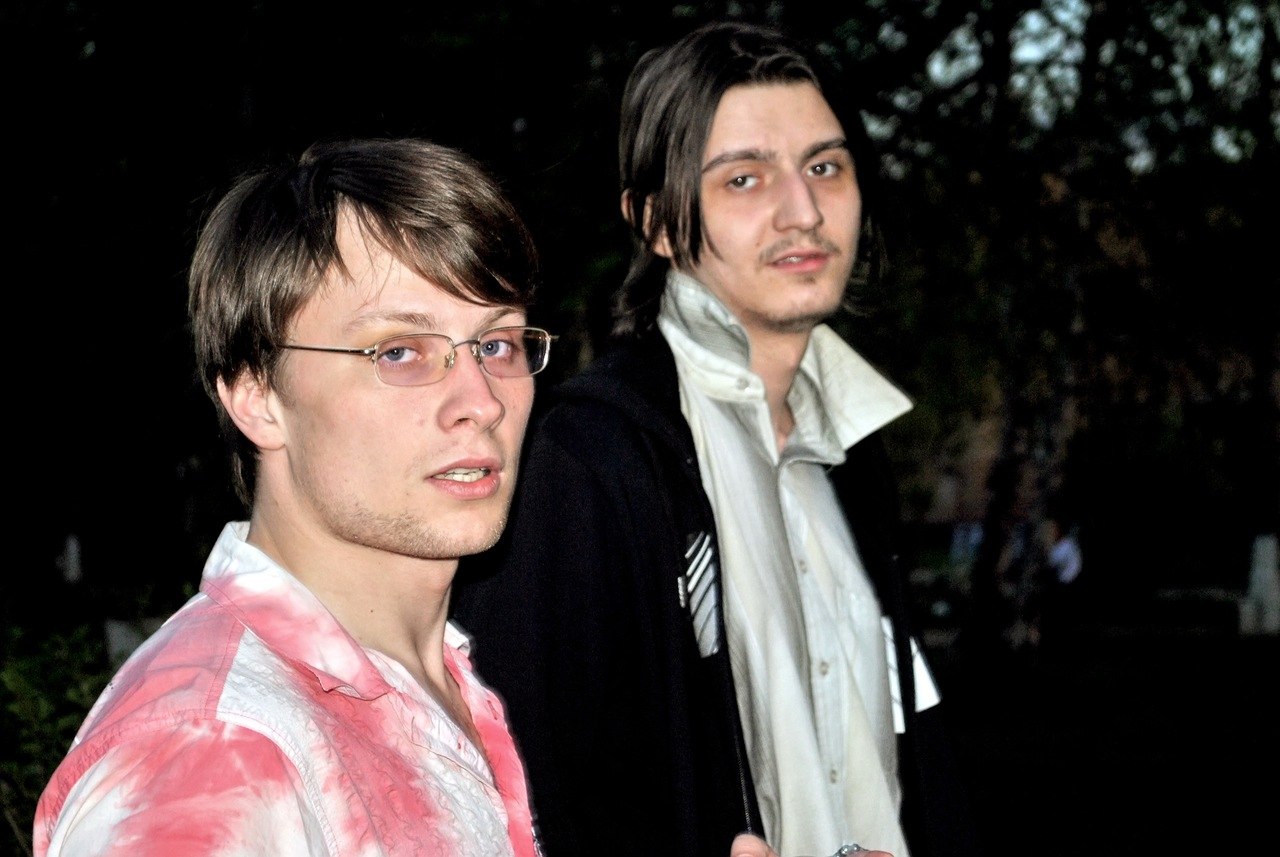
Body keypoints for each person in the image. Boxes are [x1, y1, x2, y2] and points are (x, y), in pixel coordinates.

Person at [30, 136, 785, 857]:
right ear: (257, 397)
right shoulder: (212, 751)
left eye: (497, 344)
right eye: (399, 352)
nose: (480, 401)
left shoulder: (444, 683)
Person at [452, 20, 978, 857]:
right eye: (744, 178)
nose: (803, 211)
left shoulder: (855, 454)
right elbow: (513, 793)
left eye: (825, 167)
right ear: (657, 221)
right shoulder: (589, 459)